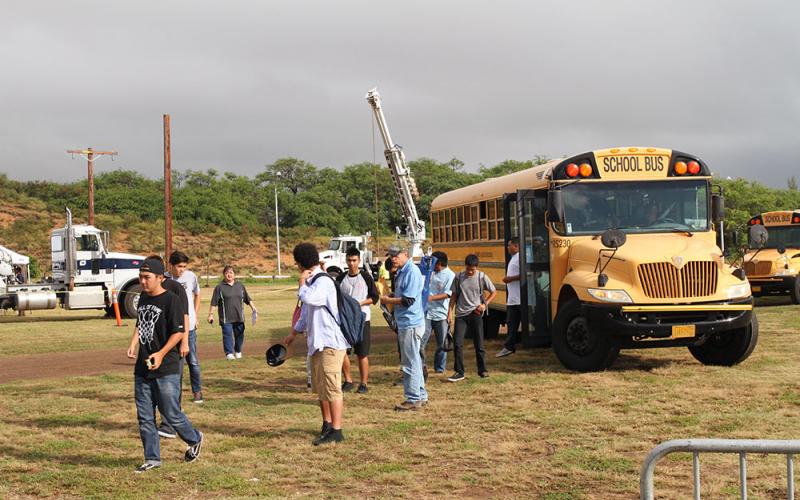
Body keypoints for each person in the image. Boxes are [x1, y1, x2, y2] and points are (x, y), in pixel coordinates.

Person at [126, 257, 203, 473]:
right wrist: (133, 343)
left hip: (166, 366)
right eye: (141, 277)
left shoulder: (171, 300)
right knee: (144, 415)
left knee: (170, 412)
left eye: (147, 277)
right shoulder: (142, 297)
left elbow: (179, 331)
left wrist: (160, 354)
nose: (142, 281)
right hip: (143, 367)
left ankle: (194, 438)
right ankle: (152, 458)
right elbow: (140, 323)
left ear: (160, 278)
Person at [284, 243, 349, 445]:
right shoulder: (313, 281)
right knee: (321, 387)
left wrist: (301, 283)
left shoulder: (322, 281)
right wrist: (293, 333)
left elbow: (311, 299)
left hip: (330, 342)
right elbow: (305, 313)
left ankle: (337, 431)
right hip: (317, 343)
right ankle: (327, 425)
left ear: (300, 263)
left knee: (332, 386)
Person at [144, 255, 190, 441]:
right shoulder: (146, 292)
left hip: (174, 344)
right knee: (153, 387)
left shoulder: (175, 288)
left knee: (170, 387)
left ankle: (169, 425)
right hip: (153, 346)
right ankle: (160, 423)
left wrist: (185, 342)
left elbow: (184, 316)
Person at [380, 245, 427, 411]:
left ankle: (413, 399)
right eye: (390, 255)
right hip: (407, 322)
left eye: (396, 255)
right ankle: (420, 395)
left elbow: (408, 300)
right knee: (414, 360)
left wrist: (388, 300)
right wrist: (392, 296)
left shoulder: (411, 271)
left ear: (405, 254)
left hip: (411, 323)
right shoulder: (402, 271)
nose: (393, 258)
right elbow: (404, 296)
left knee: (409, 363)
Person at [448, 254, 497, 382]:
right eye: (469, 269)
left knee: (479, 344)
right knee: (458, 344)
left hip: (475, 313)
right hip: (461, 315)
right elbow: (453, 296)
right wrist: (449, 313)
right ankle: (459, 372)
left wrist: (484, 304)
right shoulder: (458, 277)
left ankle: (482, 370)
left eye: (473, 269)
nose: (470, 272)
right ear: (465, 266)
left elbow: (494, 291)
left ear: (477, 267)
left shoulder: (482, 277)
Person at [337, 247, 379, 394]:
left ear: (359, 261)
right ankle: (348, 380)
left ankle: (364, 383)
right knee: (342, 351)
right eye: (349, 260)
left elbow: (374, 297)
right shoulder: (341, 278)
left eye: (354, 260)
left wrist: (359, 304)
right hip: (345, 321)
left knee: (362, 353)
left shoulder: (366, 277)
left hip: (363, 319)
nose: (351, 263)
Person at [169, 251, 203, 403]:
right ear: (171, 265)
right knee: (177, 365)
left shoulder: (191, 276)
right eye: (178, 266)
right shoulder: (164, 278)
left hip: (189, 328)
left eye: (184, 266)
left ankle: (197, 392)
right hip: (172, 328)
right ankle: (177, 397)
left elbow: (197, 294)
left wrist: (194, 315)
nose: (181, 269)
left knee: (193, 361)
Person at [208, 266, 258, 360]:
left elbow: (247, 299)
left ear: (234, 275)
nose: (229, 274)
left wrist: (254, 309)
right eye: (226, 273)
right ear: (224, 275)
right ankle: (229, 353)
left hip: (239, 316)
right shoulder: (219, 287)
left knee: (240, 334)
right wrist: (211, 314)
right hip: (226, 317)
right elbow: (214, 302)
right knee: (227, 334)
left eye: (231, 272)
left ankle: (238, 351)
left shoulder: (240, 286)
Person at [422, 251, 455, 373]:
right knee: (421, 340)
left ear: (439, 263)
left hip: (441, 314)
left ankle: (439, 368)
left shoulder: (450, 275)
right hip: (427, 312)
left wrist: (430, 298)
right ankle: (421, 365)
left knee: (442, 343)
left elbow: (448, 294)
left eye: (434, 262)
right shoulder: (430, 273)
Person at [497, 238, 521, 358]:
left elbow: (526, 273)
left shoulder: (521, 257)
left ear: (516, 246)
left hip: (521, 298)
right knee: (511, 323)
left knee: (516, 322)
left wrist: (510, 279)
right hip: (513, 298)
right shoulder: (514, 258)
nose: (507, 247)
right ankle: (509, 347)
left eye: (509, 245)